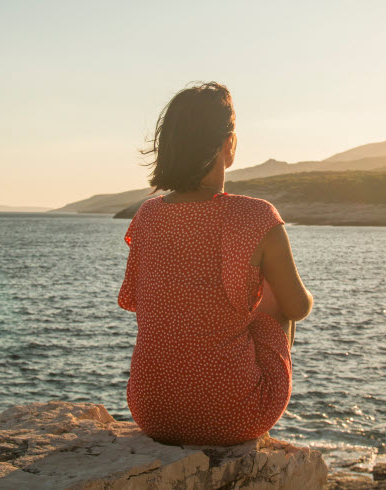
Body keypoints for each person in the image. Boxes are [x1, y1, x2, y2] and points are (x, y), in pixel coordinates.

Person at [117, 82, 313, 446]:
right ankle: (256, 427)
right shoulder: (256, 215)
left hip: (152, 413)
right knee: (274, 302)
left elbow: (141, 303)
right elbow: (297, 308)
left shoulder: (147, 216)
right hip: (234, 416)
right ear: (229, 144)